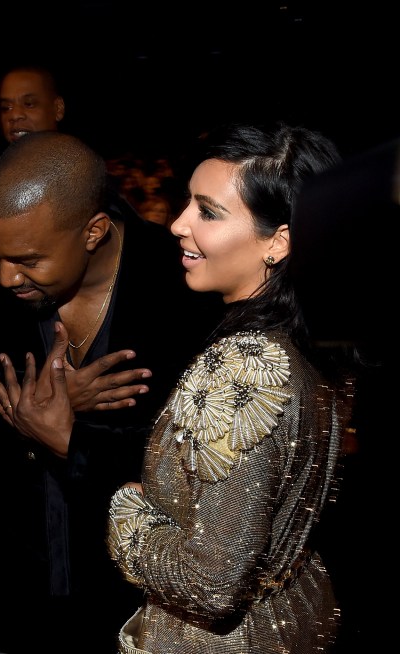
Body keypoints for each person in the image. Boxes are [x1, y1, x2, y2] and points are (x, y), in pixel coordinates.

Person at [101, 122, 356, 652]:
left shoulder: (243, 371)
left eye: (207, 212)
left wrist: (128, 518)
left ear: (279, 242)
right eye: (186, 204)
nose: (175, 224)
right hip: (295, 615)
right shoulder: (315, 342)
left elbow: (212, 584)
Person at [0, 130, 223, 652]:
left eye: (27, 259)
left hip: (140, 592)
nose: (3, 276)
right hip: (27, 580)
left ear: (93, 232)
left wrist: (70, 430)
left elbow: (205, 463)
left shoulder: (184, 287)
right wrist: (30, 418)